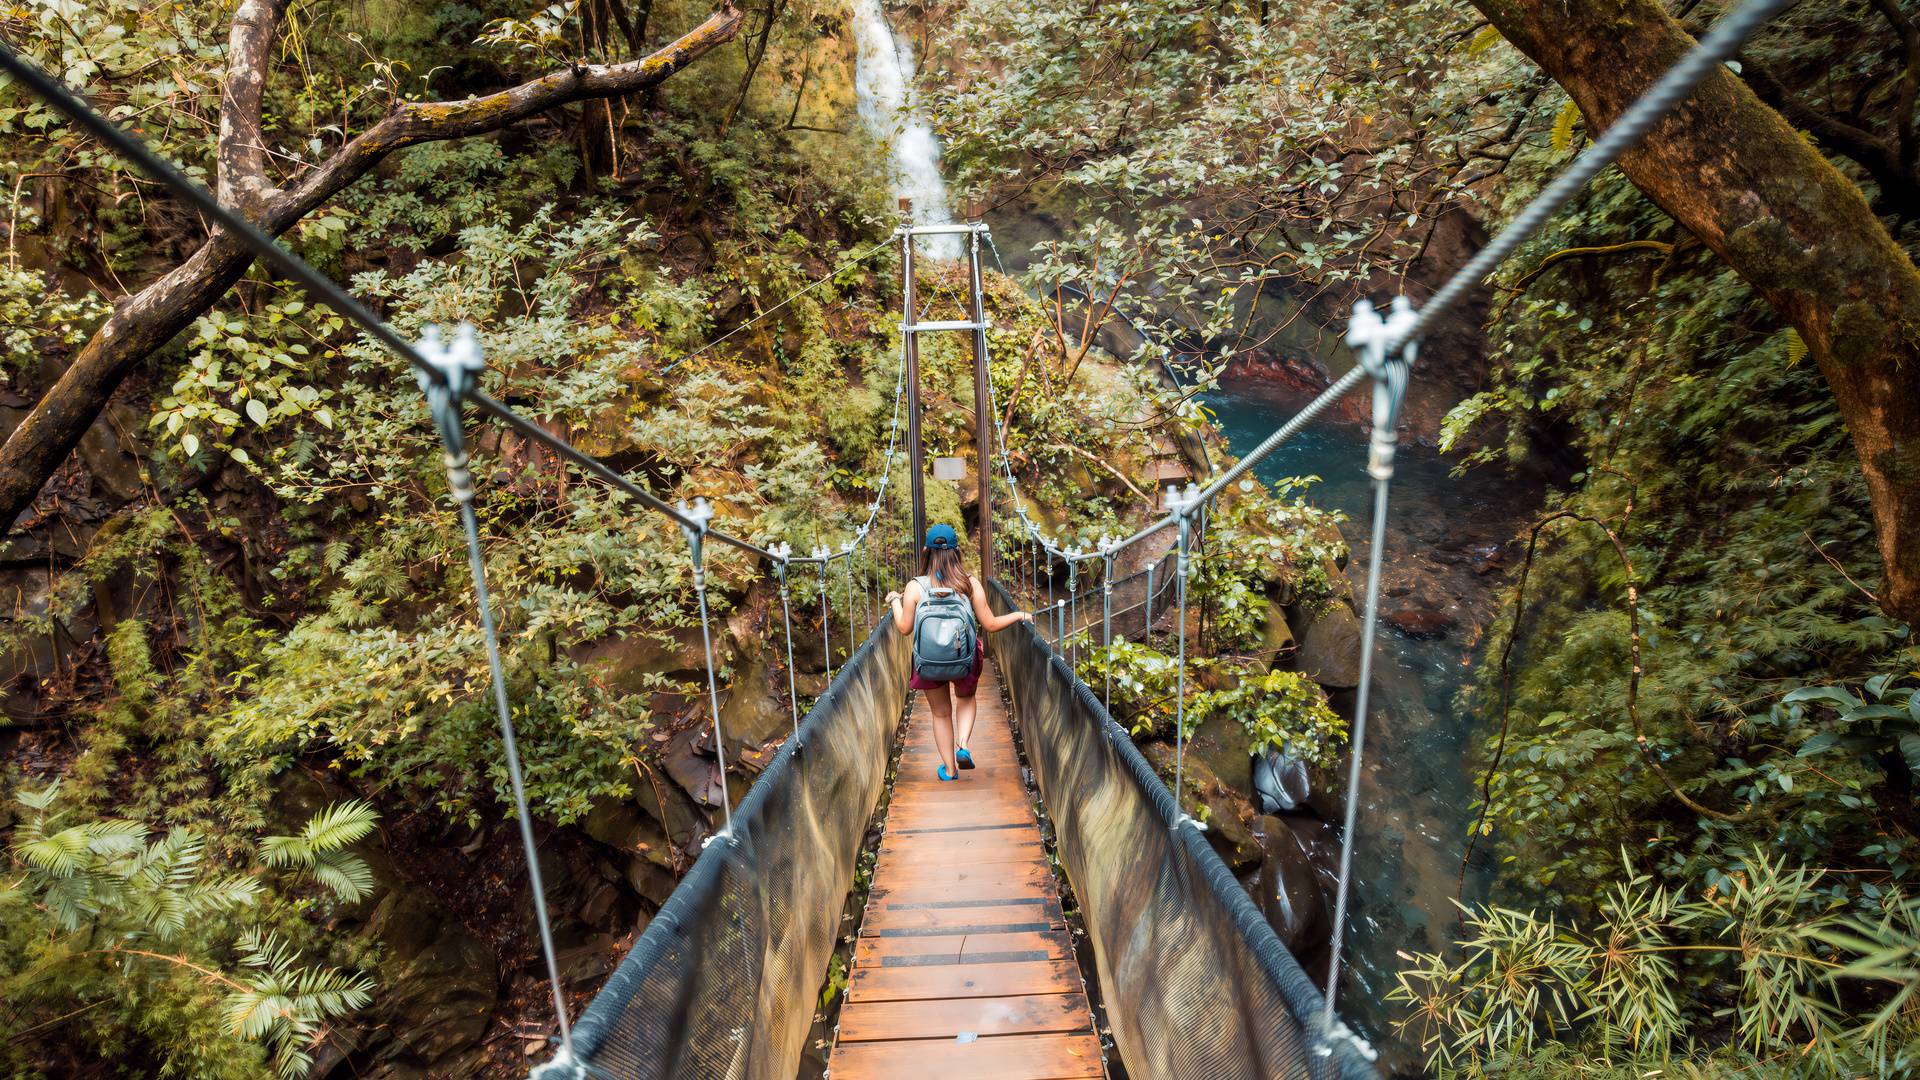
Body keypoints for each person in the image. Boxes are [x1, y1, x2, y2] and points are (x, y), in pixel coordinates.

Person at [885, 524, 1035, 781]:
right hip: (964, 658)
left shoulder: (915, 587)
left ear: (926, 552)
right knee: (965, 699)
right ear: (956, 552)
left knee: (941, 713)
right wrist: (1018, 615)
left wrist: (895, 601)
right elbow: (990, 624)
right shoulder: (969, 583)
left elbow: (904, 628)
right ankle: (963, 745)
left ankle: (950, 769)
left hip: (928, 661)